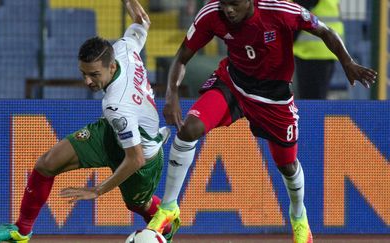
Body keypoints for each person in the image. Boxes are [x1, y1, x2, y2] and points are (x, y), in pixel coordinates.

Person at [147, 0, 376, 243]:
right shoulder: (212, 13)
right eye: (225, 4)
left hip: (274, 99)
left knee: (287, 167)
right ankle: (169, 207)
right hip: (233, 85)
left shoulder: (281, 11)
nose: (228, 10)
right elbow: (182, 55)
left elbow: (325, 31)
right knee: (189, 129)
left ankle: (299, 217)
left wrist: (347, 62)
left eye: (234, 4)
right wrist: (171, 95)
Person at [0, 0, 179, 242]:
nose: (87, 81)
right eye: (83, 73)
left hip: (144, 157)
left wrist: (98, 189)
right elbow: (142, 21)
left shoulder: (116, 104)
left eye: (94, 75)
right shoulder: (125, 47)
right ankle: (21, 231)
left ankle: (165, 225)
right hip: (113, 133)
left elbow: (134, 158)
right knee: (46, 164)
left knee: (139, 204)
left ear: (111, 66)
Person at [293, 0, 344, 99]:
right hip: (322, 48)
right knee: (316, 101)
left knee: (311, 103)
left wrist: (285, 40)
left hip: (312, 52)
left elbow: (299, 14)